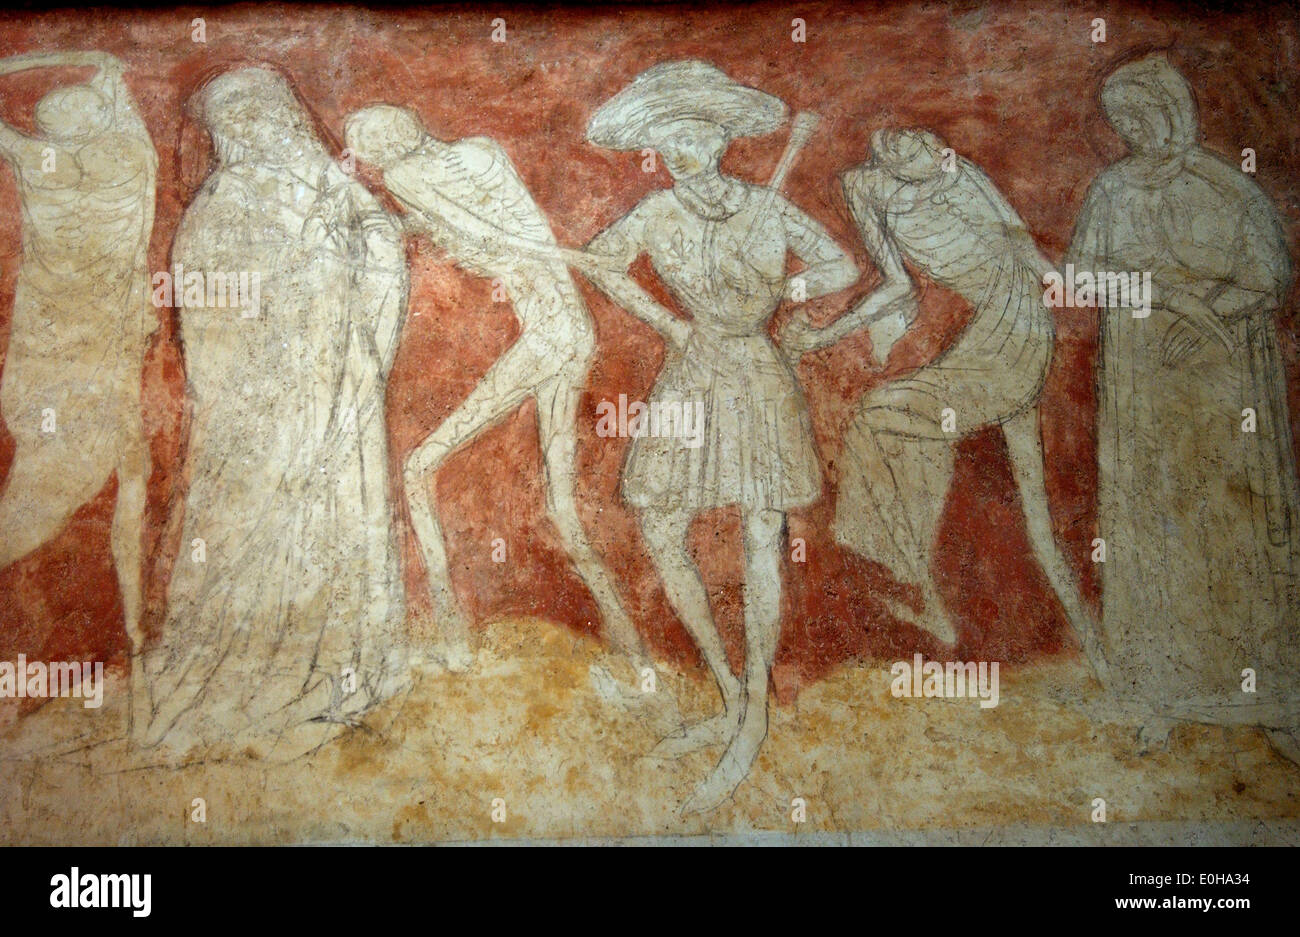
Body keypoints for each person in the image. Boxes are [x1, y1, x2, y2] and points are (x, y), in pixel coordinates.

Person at [580, 61, 858, 813]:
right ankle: (730, 691)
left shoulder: (767, 208)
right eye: (668, 141)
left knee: (760, 526)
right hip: (692, 366)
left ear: (720, 137)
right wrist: (671, 322)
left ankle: (758, 705)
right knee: (661, 519)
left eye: (694, 135)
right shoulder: (658, 213)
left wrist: (785, 294)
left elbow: (839, 263)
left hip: (757, 368)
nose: (681, 151)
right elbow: (603, 263)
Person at [135, 68, 411, 758]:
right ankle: (242, 674)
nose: (257, 130)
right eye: (240, 121)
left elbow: (384, 241)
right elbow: (211, 318)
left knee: (340, 522)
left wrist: (357, 250)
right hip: (261, 413)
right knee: (239, 526)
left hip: (335, 391)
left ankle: (338, 671)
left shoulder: (327, 184)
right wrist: (303, 273)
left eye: (265, 114)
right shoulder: (219, 206)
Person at [343, 105, 644, 672]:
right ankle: (629, 642)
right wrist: (426, 227)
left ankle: (450, 635)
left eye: (371, 153)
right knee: (561, 504)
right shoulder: (480, 148)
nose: (375, 163)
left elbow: (488, 236)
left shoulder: (406, 178)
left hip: (550, 336)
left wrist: (423, 224)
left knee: (417, 469)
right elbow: (501, 230)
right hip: (570, 328)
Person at [790, 128, 1102, 665]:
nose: (915, 146)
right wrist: (824, 335)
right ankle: (923, 586)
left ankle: (912, 576)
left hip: (1017, 330)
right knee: (1031, 513)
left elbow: (1022, 246)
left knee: (885, 416)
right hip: (983, 337)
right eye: (905, 143)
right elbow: (896, 285)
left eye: (923, 145)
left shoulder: (957, 172)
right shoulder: (864, 188)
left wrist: (1090, 288)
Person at [1065, 54, 1300, 758]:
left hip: (1222, 387)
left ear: (1176, 110)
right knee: (1152, 531)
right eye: (1123, 119)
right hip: (1142, 385)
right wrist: (1162, 295)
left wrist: (1206, 315)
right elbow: (1081, 275)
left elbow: (1269, 275)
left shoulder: (1224, 188)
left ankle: (1269, 697)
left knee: (1232, 529)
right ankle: (1163, 693)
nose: (1136, 129)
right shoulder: (1110, 191)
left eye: (1147, 114)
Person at [0, 51, 156, 702]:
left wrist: (50, 59)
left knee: (118, 468)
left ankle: (140, 647)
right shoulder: (131, 160)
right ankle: (138, 644)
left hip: (69, 352)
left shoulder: (41, 167)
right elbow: (118, 86)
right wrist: (95, 67)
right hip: (83, 353)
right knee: (84, 476)